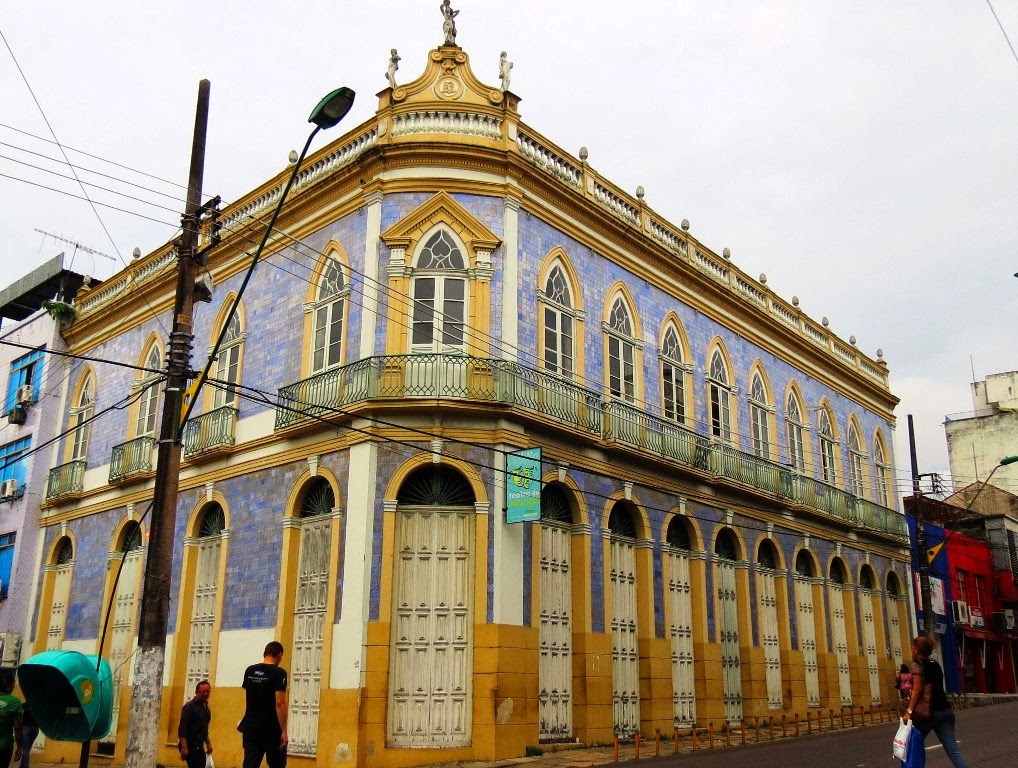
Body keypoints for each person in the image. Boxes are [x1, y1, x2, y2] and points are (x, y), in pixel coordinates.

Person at [903, 635, 967, 768]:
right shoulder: (936, 664)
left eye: (912, 648)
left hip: (928, 714)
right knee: (953, 750)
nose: (911, 650)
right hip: (945, 711)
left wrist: (909, 711)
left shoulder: (916, 665)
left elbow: (918, 689)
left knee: (910, 746)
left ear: (916, 650)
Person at [239, 641, 288, 768]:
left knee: (250, 763)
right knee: (277, 764)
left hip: (251, 727)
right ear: (280, 655)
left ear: (265, 653)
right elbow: (280, 703)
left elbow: (250, 693)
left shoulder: (250, 671)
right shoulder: (279, 673)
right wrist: (284, 731)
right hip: (271, 728)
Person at [178, 680, 213, 768]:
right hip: (190, 744)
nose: (206, 693)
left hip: (199, 744)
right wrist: (184, 747)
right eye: (203, 691)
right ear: (197, 692)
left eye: (208, 691)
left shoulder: (206, 708)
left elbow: (204, 729)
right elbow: (182, 728)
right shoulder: (189, 707)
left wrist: (208, 743)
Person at [0, 675, 22, 768]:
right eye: (14, 682)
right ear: (9, 686)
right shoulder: (15, 702)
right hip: (4, 746)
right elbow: (17, 727)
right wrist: (19, 747)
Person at [19, 703, 37, 768]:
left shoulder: (25, 704)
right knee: (27, 749)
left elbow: (20, 715)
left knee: (26, 749)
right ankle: (22, 765)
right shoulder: (38, 705)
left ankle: (25, 766)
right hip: (35, 728)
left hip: (26, 728)